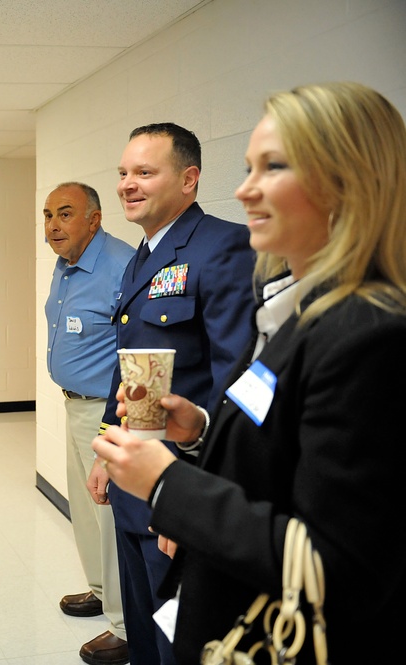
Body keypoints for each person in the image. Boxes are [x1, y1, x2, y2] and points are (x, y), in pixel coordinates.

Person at [94, 81, 406, 665]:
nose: (243, 190)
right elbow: (282, 436)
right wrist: (201, 429)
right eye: (248, 168)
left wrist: (172, 487)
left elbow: (341, 567)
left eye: (274, 167)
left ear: (350, 181)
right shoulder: (295, 309)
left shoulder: (370, 335)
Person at [88, 123, 256, 665]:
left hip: (177, 484)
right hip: (131, 479)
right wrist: (105, 445)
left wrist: (193, 500)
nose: (127, 185)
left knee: (178, 639)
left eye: (144, 172)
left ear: (189, 179)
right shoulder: (143, 256)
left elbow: (236, 380)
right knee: (142, 628)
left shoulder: (221, 247)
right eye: (122, 173)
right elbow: (131, 363)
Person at [43, 182, 134, 665]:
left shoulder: (122, 266)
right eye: (47, 216)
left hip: (106, 411)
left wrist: (111, 429)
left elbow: (134, 352)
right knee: (85, 509)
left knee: (111, 515)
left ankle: (125, 626)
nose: (53, 226)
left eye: (64, 214)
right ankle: (102, 592)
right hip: (73, 404)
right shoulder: (65, 267)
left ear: (94, 220)